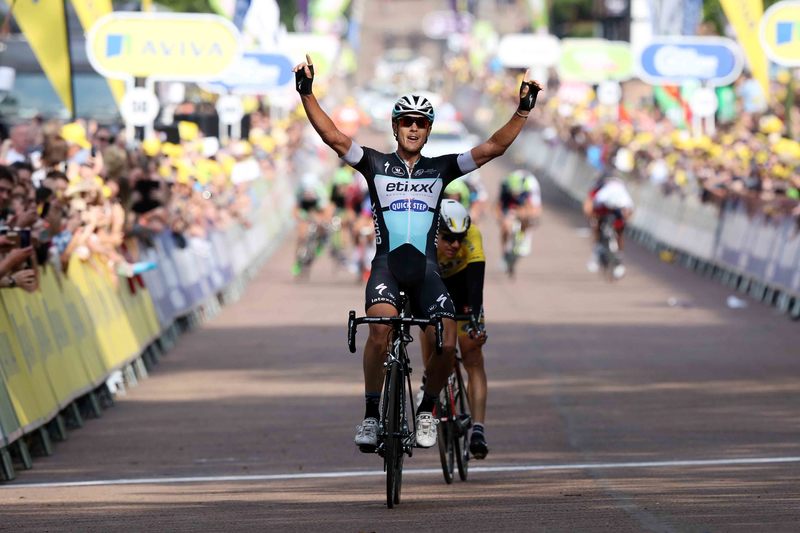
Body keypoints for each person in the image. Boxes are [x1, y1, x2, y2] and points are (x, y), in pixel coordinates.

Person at [292, 53, 541, 450]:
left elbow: (493, 147)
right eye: (406, 122)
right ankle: (371, 415)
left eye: (420, 123)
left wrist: (523, 110)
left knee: (447, 341)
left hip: (426, 272)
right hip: (387, 267)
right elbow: (334, 137)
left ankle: (426, 409)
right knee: (379, 329)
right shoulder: (374, 164)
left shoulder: (441, 169)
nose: (413, 128)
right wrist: (306, 93)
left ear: (428, 131)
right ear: (395, 127)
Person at [419, 199, 490, 458]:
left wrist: (475, 320)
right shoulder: (423, 236)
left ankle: (478, 430)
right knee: (430, 335)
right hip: (432, 285)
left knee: (473, 355)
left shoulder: (473, 236)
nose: (456, 245)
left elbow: (476, 281)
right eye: (448, 238)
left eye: (460, 238)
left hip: (462, 288)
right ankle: (429, 381)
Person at [582, 172, 634, 279]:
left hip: (616, 209)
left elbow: (588, 207)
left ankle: (615, 257)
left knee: (618, 232)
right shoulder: (601, 190)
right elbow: (589, 206)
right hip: (605, 208)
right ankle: (597, 253)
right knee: (598, 225)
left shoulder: (618, 192)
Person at [497, 169, 542, 266]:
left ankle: (524, 236)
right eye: (513, 193)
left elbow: (535, 210)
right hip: (509, 202)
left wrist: (524, 217)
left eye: (517, 194)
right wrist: (504, 220)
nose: (515, 196)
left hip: (526, 200)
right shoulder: (505, 185)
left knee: (529, 216)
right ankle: (504, 252)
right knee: (505, 225)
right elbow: (499, 207)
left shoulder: (531, 186)